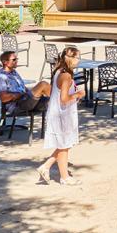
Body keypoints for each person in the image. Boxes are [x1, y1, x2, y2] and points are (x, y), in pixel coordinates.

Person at [37, 47, 86, 185]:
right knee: (64, 145)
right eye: (77, 57)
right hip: (61, 114)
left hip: (60, 113)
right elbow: (64, 98)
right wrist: (78, 94)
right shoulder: (66, 76)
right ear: (70, 58)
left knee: (65, 144)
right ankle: (64, 177)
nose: (78, 60)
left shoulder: (59, 71)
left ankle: (46, 167)